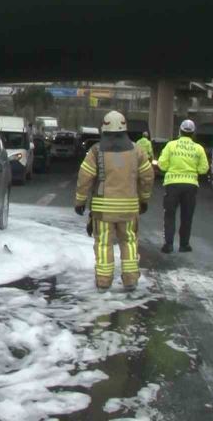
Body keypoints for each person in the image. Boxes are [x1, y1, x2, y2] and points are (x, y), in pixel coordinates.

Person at [75, 111, 155, 292]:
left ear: (103, 128)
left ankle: (103, 281)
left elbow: (85, 177)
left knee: (103, 243)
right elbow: (148, 176)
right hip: (129, 209)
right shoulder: (137, 151)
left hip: (103, 210)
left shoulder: (96, 151)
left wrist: (80, 201)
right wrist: (144, 199)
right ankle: (130, 279)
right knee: (129, 242)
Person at [157, 119, 209, 253]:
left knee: (169, 215)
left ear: (179, 131)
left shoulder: (171, 145)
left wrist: (172, 168)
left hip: (172, 185)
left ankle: (168, 244)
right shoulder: (198, 149)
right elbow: (204, 169)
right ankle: (184, 245)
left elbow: (162, 164)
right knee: (187, 216)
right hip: (190, 186)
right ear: (193, 133)